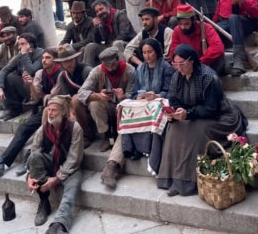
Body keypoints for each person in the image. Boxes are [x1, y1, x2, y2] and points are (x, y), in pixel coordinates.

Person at [156, 43, 245, 196]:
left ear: (192, 60)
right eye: (175, 64)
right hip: (192, 114)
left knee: (196, 130)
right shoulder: (177, 76)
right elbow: (173, 99)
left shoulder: (208, 77)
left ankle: (186, 182)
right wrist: (176, 112)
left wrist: (188, 114)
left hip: (220, 116)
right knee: (174, 127)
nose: (178, 67)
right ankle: (170, 178)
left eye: (182, 63)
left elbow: (212, 109)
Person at [0, 46, 65, 178]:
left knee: (44, 132)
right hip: (43, 109)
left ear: (55, 60)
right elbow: (36, 97)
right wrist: (30, 85)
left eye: (48, 58)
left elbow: (53, 97)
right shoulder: (40, 73)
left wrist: (42, 95)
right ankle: (1, 162)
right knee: (24, 128)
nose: (44, 60)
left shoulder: (61, 74)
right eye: (43, 58)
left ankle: (29, 159)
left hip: (59, 111)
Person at [102, 37, 174, 188]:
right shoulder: (140, 69)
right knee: (127, 112)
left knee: (155, 110)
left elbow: (170, 91)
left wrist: (156, 96)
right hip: (143, 104)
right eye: (144, 52)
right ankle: (111, 165)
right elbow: (135, 92)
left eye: (150, 52)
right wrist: (139, 96)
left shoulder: (166, 67)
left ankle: (138, 156)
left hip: (159, 104)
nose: (147, 56)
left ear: (157, 52)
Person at [25, 94, 84, 233]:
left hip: (70, 168)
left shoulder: (75, 128)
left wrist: (57, 178)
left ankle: (59, 224)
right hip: (50, 163)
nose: (50, 113)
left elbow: (74, 159)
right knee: (34, 157)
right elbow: (34, 153)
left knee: (72, 187)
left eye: (54, 110)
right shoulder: (43, 129)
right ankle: (44, 202)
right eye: (49, 110)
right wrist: (29, 176)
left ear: (63, 112)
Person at [75, 46, 134, 153]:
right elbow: (81, 93)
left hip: (123, 104)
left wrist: (123, 96)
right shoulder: (96, 71)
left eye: (113, 65)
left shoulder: (129, 70)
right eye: (107, 66)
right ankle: (107, 135)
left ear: (118, 59)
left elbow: (133, 93)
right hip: (105, 105)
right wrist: (98, 96)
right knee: (94, 104)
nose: (110, 69)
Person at [215, 0, 258, 77]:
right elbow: (218, 8)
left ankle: (239, 60)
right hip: (227, 22)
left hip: (245, 23)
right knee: (210, 29)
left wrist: (243, 1)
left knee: (233, 18)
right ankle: (220, 65)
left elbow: (256, 12)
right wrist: (212, 24)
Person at [0, 33, 43, 120]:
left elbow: (31, 72)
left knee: (14, 77)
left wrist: (24, 54)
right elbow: (3, 71)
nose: (19, 47)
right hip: (25, 85)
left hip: (37, 88)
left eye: (22, 44)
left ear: (30, 45)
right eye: (19, 44)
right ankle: (13, 109)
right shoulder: (20, 55)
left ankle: (34, 108)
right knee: (8, 77)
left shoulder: (41, 54)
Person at [169, 5, 225, 75]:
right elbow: (173, 52)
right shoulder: (177, 30)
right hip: (186, 64)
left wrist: (200, 61)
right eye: (180, 24)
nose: (183, 27)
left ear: (193, 21)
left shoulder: (206, 27)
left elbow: (218, 47)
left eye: (186, 24)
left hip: (206, 62)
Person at [86, 0, 135, 67]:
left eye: (101, 9)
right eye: (97, 11)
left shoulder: (120, 14)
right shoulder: (102, 21)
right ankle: (87, 71)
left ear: (108, 7)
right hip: (109, 46)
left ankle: (123, 69)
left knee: (117, 43)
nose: (99, 13)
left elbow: (124, 34)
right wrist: (96, 28)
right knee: (90, 46)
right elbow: (97, 41)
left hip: (126, 44)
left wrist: (110, 46)